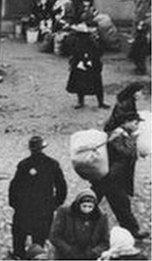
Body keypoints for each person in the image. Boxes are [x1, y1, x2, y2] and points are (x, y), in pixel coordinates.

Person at [91, 112, 149, 240]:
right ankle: (133, 231)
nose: (137, 125)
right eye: (135, 122)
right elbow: (127, 153)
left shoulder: (122, 134)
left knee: (92, 201)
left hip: (109, 177)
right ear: (125, 122)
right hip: (111, 178)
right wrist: (134, 141)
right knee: (121, 205)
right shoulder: (117, 135)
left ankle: (130, 231)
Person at [8, 136, 67, 259]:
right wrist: (55, 204)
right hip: (42, 209)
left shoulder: (24, 164)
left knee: (20, 238)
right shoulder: (52, 164)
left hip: (25, 209)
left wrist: (15, 205)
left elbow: (14, 187)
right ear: (42, 148)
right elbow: (62, 187)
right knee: (38, 240)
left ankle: (19, 256)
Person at [50, 189, 109, 260]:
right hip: (66, 255)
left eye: (90, 207)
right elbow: (55, 236)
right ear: (78, 204)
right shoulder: (64, 213)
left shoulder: (101, 217)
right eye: (84, 206)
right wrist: (69, 250)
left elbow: (105, 242)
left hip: (89, 256)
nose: (87, 209)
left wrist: (94, 252)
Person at [65, 26, 110, 109]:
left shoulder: (92, 40)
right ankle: (87, 102)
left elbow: (99, 51)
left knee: (95, 83)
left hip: (91, 63)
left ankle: (98, 102)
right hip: (81, 63)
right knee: (81, 83)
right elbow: (73, 50)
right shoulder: (77, 40)